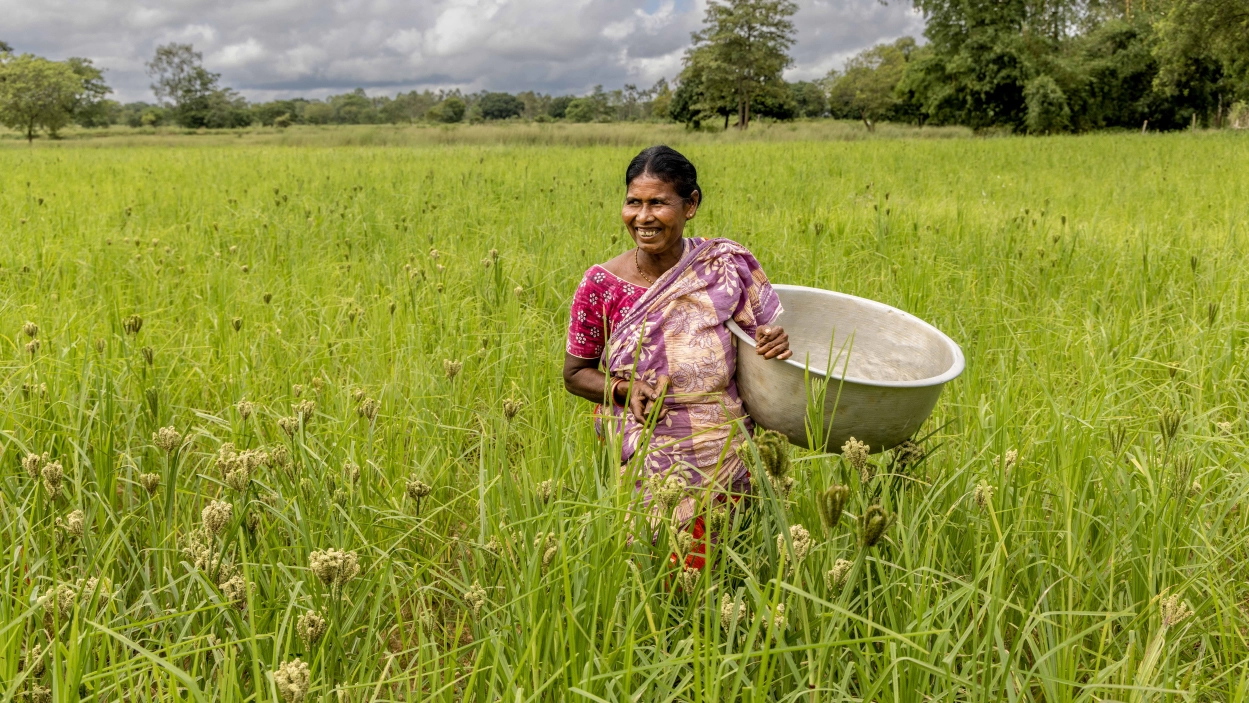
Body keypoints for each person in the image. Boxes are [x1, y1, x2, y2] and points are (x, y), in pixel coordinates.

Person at [562, 145, 792, 560]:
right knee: (661, 562)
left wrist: (777, 339)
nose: (643, 217)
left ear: (691, 205)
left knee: (728, 558)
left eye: (658, 203)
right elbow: (575, 373)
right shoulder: (602, 284)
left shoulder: (724, 265)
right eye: (634, 202)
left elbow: (765, 335)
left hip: (725, 440)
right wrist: (625, 390)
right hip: (648, 439)